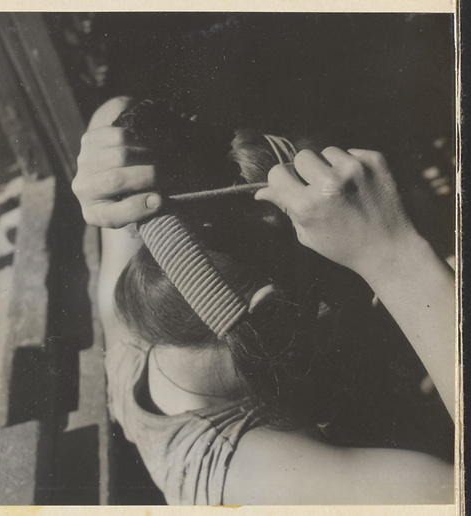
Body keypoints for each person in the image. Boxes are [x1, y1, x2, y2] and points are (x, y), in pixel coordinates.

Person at [71, 96, 456, 505]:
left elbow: (110, 111)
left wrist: (109, 161)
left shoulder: (132, 338)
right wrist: (397, 258)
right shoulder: (261, 474)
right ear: (271, 311)